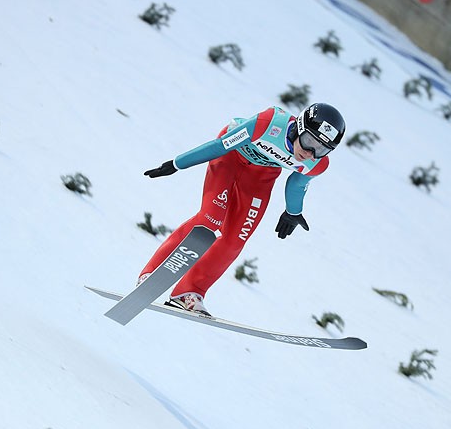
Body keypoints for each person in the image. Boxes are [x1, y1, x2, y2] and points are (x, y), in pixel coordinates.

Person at [139, 102, 346, 316]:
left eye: (322, 149)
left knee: (235, 240)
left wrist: (293, 212)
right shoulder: (269, 124)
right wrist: (177, 163)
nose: (311, 153)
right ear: (299, 127)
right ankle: (153, 274)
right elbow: (220, 146)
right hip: (230, 156)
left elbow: (297, 183)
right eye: (309, 141)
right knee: (210, 219)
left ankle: (189, 291)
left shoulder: (317, 164)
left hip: (261, 176)